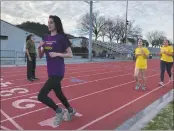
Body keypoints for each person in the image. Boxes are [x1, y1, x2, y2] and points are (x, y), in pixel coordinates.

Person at [37, 15, 76, 126]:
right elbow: (40, 56)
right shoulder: (45, 37)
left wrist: (57, 54)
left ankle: (59, 111)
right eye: (48, 22)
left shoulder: (61, 38)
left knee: (41, 96)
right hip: (50, 71)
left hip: (58, 71)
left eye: (51, 22)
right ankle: (70, 110)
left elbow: (70, 54)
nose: (49, 25)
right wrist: (39, 47)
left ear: (56, 24)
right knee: (58, 94)